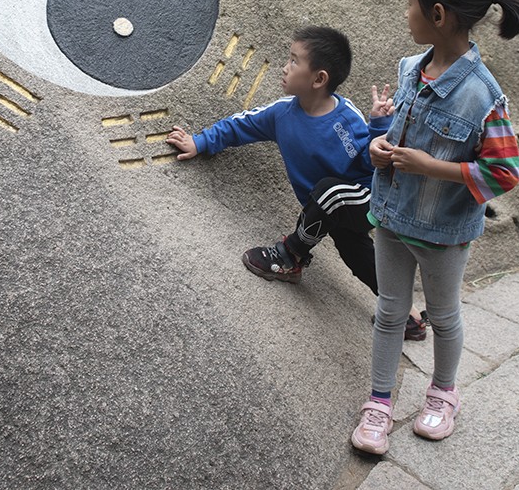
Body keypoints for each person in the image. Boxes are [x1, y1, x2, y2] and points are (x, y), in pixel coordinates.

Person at [350, 0, 519, 455]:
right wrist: (377, 144)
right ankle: (379, 402)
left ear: (437, 14)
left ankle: (443, 393)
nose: (404, 12)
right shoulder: (410, 67)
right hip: (389, 218)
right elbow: (395, 133)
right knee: (389, 312)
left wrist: (434, 168)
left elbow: (505, 172)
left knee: (443, 317)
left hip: (443, 234)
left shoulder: (482, 95)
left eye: (409, 2)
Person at [167, 26, 427, 339]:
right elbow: (240, 126)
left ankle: (291, 256)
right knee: (355, 255)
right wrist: (200, 142)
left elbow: (369, 161)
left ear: (319, 79)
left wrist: (378, 127)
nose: (284, 67)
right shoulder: (281, 114)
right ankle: (407, 316)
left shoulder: (346, 119)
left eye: (293, 61)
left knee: (330, 191)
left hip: (368, 198)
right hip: (332, 209)